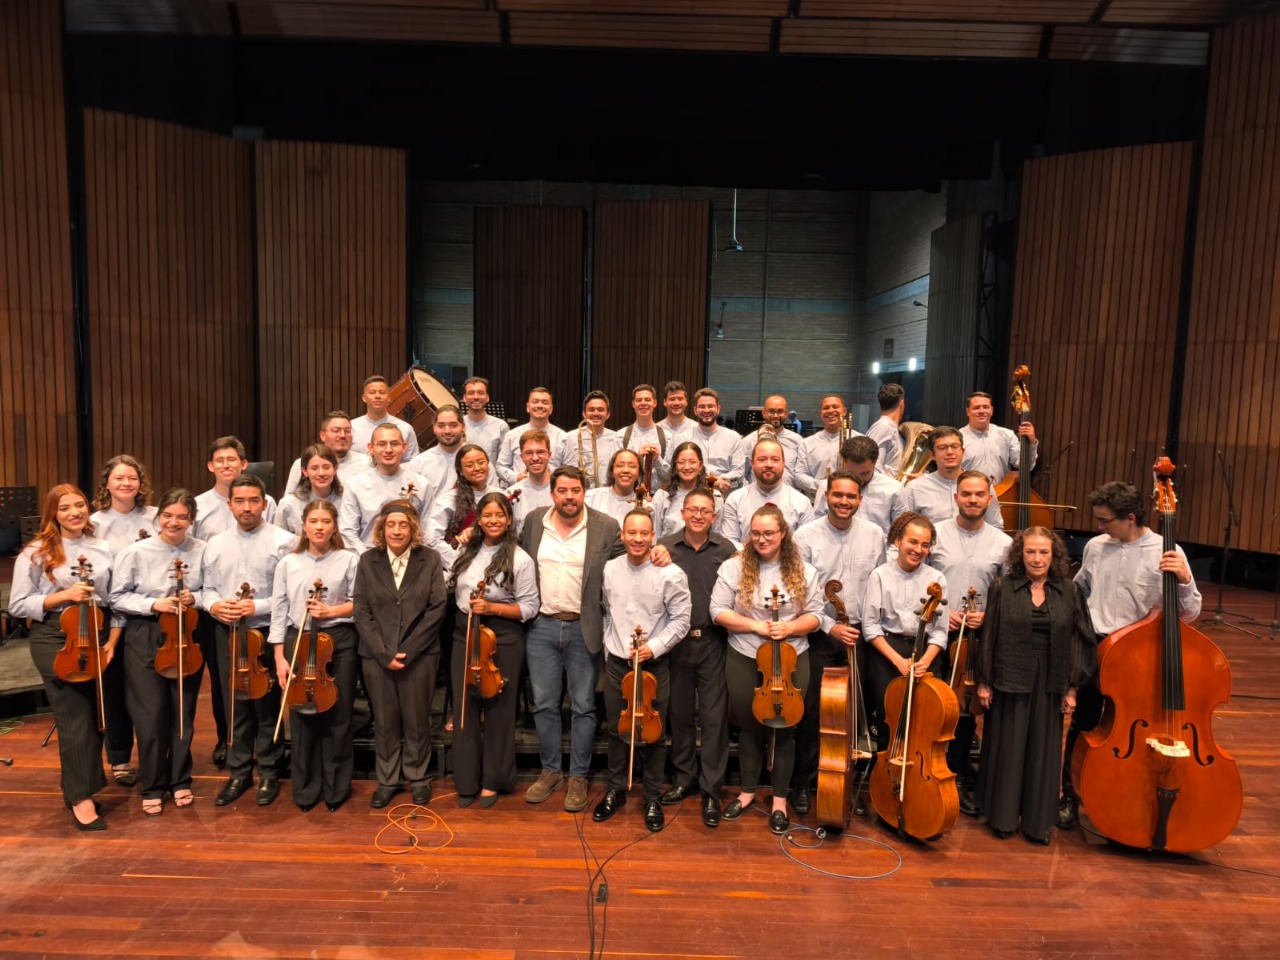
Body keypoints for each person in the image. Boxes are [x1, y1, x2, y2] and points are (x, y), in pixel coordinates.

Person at [1058, 480, 1202, 829]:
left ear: (1131, 517)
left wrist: (1183, 580)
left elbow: (1191, 613)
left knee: (1135, 727)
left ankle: (1131, 794)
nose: (1099, 527)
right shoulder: (1096, 546)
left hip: (1139, 654)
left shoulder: (1168, 552)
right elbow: (1081, 589)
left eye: (1105, 521)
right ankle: (1070, 796)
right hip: (1097, 645)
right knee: (1085, 723)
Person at [975, 528, 1096, 845]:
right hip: (1009, 673)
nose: (1037, 558)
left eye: (1044, 552)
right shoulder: (1002, 587)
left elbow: (1079, 641)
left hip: (1051, 677)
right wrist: (985, 681)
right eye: (1030, 552)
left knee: (1044, 749)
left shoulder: (1069, 591)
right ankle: (1003, 817)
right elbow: (989, 635)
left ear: (1053, 556)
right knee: (1009, 747)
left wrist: (1072, 687)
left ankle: (1037, 823)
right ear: (1020, 555)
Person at [711, 505, 823, 835]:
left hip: (791, 658)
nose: (762, 539)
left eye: (769, 533)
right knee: (749, 727)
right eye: (756, 533)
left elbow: (816, 615)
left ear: (783, 534)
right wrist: (754, 626)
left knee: (785, 728)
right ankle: (747, 792)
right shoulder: (734, 567)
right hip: (745, 655)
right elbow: (717, 610)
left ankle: (778, 800)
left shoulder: (804, 570)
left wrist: (789, 629)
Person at [10, 485, 117, 830]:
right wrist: (63, 596)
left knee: (94, 714)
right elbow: (17, 605)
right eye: (65, 507)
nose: (74, 512)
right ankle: (79, 799)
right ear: (53, 513)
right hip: (55, 636)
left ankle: (84, 785)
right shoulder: (37, 551)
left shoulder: (102, 546)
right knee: (73, 718)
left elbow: (112, 597)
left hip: (95, 632)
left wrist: (111, 640)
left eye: (80, 505)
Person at [519, 466, 624, 813]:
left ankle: (578, 775)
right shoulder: (534, 522)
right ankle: (551, 771)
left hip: (584, 627)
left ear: (584, 492)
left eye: (575, 490)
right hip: (542, 626)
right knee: (545, 703)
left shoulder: (606, 526)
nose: (569, 497)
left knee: (583, 706)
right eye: (562, 490)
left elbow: (625, 566)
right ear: (552, 493)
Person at [791, 472, 886, 814]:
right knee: (814, 713)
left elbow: (879, 583)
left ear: (860, 499)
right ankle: (803, 783)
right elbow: (801, 591)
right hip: (819, 634)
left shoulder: (875, 535)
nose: (844, 501)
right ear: (826, 496)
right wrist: (830, 626)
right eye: (838, 495)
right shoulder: (805, 536)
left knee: (855, 716)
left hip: (860, 635)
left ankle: (847, 784)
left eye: (851, 496)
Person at [199, 473, 296, 807]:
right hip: (228, 633)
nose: (247, 507)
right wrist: (214, 605)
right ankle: (239, 772)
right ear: (229, 505)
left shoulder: (284, 541)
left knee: (266, 708)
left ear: (265, 503)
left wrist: (259, 605)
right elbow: (207, 588)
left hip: (267, 634)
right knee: (235, 706)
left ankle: (269, 772)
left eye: (254, 500)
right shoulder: (215, 543)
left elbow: (288, 595)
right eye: (239, 501)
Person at [109, 488, 206, 816]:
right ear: (158, 516)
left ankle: (180, 779)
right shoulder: (136, 552)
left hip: (186, 634)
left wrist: (196, 598)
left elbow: (212, 589)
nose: (174, 522)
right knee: (150, 715)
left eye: (181, 517)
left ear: (191, 520)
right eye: (167, 515)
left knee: (183, 712)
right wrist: (154, 604)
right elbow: (117, 597)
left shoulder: (203, 550)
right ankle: (152, 784)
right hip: (146, 633)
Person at [594, 510, 692, 833]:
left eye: (644, 533)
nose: (637, 539)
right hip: (618, 665)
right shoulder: (609, 569)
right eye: (631, 533)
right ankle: (616, 789)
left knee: (653, 734)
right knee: (616, 729)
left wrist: (655, 646)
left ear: (653, 536)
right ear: (622, 535)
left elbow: (681, 620)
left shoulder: (671, 574)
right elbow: (606, 612)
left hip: (653, 665)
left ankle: (651, 795)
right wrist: (612, 648)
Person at [926, 469, 1012, 814]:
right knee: (932, 706)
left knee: (964, 711)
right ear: (956, 497)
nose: (973, 500)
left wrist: (988, 616)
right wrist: (940, 613)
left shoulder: (1004, 544)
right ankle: (928, 768)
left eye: (979, 494)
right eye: (966, 494)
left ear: (990, 499)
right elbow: (921, 580)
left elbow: (1008, 593)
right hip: (938, 633)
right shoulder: (936, 535)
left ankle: (956, 772)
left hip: (979, 639)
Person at [353, 501, 448, 808]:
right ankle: (388, 778)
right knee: (384, 720)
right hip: (376, 656)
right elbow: (361, 610)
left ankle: (418, 776)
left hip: (419, 656)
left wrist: (407, 650)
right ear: (382, 529)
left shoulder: (430, 559)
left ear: (413, 529)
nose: (397, 530)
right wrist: (383, 653)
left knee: (418, 719)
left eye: (403, 525)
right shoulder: (368, 561)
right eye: (391, 525)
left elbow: (437, 608)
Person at [447, 493, 538, 808]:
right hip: (465, 632)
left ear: (509, 519)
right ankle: (467, 779)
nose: (493, 520)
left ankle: (493, 781)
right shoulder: (465, 552)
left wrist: (493, 607)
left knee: (498, 707)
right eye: (487, 515)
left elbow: (529, 608)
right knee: (465, 706)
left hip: (503, 636)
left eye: (500, 515)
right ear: (478, 519)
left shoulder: (520, 558)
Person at [269, 500, 360, 812]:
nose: (319, 527)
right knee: (303, 714)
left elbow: (359, 603)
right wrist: (279, 657)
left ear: (334, 526)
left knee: (338, 714)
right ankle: (306, 788)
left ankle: (336, 788)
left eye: (325, 521)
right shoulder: (288, 563)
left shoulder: (349, 559)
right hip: (299, 638)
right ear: (303, 526)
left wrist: (330, 610)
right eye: (313, 521)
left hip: (338, 639)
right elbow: (279, 610)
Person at [658, 488, 737, 827]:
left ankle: (711, 787)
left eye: (706, 511)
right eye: (693, 509)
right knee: (679, 715)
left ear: (714, 516)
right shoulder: (665, 547)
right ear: (683, 512)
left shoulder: (727, 550)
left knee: (714, 717)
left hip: (713, 641)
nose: (699, 515)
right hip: (675, 642)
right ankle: (683, 778)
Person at [89, 454, 155, 787]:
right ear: (107, 484)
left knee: (147, 692)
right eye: (119, 478)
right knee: (114, 689)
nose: (126, 483)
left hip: (149, 612)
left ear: (140, 483)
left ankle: (155, 755)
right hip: (109, 614)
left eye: (132, 478)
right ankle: (119, 758)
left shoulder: (156, 517)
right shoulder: (94, 522)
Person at [861, 513, 947, 752]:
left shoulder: (937, 578)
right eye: (913, 542)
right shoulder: (880, 575)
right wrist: (898, 660)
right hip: (888, 654)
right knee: (888, 722)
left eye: (925, 545)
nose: (918, 549)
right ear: (898, 541)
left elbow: (939, 632)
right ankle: (886, 779)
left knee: (923, 723)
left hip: (925, 655)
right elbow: (870, 627)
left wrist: (924, 663)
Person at [339, 423, 428, 553]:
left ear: (404, 447)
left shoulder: (422, 484)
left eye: (394, 444)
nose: (388, 450)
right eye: (381, 444)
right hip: (367, 557)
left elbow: (427, 528)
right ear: (371, 448)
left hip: (411, 558)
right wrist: (368, 560)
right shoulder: (355, 484)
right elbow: (348, 531)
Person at [893, 427, 1004, 528]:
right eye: (942, 448)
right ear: (931, 455)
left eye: (955, 447)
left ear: (963, 452)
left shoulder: (982, 485)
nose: (950, 452)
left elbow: (995, 526)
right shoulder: (915, 488)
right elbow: (903, 529)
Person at [719, 438, 814, 546]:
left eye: (775, 459)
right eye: (762, 459)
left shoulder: (802, 503)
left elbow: (805, 546)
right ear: (752, 463)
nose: (769, 464)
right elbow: (730, 543)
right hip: (744, 560)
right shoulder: (735, 499)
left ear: (783, 463)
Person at [425, 443, 503, 572]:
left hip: (497, 565)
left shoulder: (500, 495)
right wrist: (461, 563)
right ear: (460, 471)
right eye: (469, 465)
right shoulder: (447, 500)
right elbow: (432, 539)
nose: (477, 468)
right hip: (462, 569)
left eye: (481, 462)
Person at [812, 436, 900, 536]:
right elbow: (817, 526)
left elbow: (899, 533)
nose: (858, 479)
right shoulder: (826, 486)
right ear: (844, 462)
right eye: (852, 472)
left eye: (864, 473)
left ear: (875, 464)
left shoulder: (894, 489)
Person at [195, 436, 279, 540]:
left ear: (243, 464)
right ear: (211, 466)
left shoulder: (267, 502)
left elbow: (277, 540)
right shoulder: (197, 505)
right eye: (219, 460)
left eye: (231, 459)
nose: (225, 465)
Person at [961, 390, 1037, 490]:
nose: (981, 411)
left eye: (985, 407)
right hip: (969, 496)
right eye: (976, 408)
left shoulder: (1007, 434)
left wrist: (1031, 443)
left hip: (1001, 496)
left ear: (991, 410)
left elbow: (1025, 466)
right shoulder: (958, 437)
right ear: (968, 411)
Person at [280, 411, 370, 496]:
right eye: (336, 430)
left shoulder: (366, 462)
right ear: (323, 436)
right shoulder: (303, 463)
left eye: (347, 431)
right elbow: (289, 502)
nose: (343, 435)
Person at [649, 440, 724, 539]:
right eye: (681, 462)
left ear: (700, 466)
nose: (687, 467)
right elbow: (655, 536)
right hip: (667, 552)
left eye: (692, 462)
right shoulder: (662, 496)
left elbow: (717, 535)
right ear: (675, 466)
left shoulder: (714, 496)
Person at [495, 387, 566, 486]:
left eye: (545, 402)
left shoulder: (563, 437)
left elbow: (569, 469)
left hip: (552, 492)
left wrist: (551, 475)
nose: (540, 405)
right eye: (535, 401)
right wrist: (516, 478)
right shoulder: (512, 435)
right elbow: (500, 466)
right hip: (520, 491)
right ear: (528, 407)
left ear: (551, 409)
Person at [553, 390, 621, 490]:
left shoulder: (617, 438)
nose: (596, 413)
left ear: (608, 414)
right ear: (584, 414)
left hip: (607, 495)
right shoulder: (568, 438)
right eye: (591, 410)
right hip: (576, 493)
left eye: (600, 410)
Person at [745, 394, 811, 494]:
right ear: (764, 413)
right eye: (771, 411)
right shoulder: (748, 441)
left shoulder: (797, 441)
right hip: (756, 496)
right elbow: (742, 474)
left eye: (780, 411)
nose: (776, 416)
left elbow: (801, 473)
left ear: (786, 414)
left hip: (788, 497)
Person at [408, 404, 472, 505]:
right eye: (441, 425)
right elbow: (411, 503)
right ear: (434, 428)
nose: (447, 431)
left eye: (453, 425)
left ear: (463, 427)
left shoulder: (477, 459)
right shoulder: (419, 463)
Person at [276, 443, 344, 535]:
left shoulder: (347, 501)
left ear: (335, 469)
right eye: (314, 468)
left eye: (326, 467)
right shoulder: (288, 504)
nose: (321, 473)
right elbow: (279, 542)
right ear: (305, 471)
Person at [687, 387, 745, 494]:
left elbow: (739, 478)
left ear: (718, 409)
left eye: (711, 406)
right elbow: (675, 472)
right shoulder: (682, 438)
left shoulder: (734, 438)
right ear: (695, 410)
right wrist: (710, 482)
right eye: (702, 406)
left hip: (725, 497)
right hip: (692, 497)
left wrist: (722, 483)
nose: (706, 410)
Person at [351, 374, 419, 461]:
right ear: (364, 398)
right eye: (372, 392)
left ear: (389, 398)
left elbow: (412, 463)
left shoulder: (405, 428)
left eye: (382, 392)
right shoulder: (351, 427)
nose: (377, 396)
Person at [802, 394, 860, 488]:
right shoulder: (806, 443)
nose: (831, 411)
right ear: (821, 413)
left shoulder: (860, 440)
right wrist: (823, 486)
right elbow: (799, 475)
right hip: (816, 498)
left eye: (835, 407)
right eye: (826, 408)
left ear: (844, 411)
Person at [619, 383, 671, 488]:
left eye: (647, 400)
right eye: (639, 400)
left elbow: (670, 477)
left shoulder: (668, 437)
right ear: (633, 404)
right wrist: (636, 459)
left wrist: (657, 460)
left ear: (654, 403)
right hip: (629, 495)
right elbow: (616, 473)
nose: (643, 403)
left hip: (658, 497)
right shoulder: (620, 436)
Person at [507, 429, 554, 535]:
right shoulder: (511, 493)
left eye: (540, 452)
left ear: (549, 455)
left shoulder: (562, 491)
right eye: (529, 453)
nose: (535, 458)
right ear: (522, 457)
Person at [584, 448, 646, 526]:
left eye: (632, 466)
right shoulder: (591, 498)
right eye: (620, 465)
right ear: (612, 472)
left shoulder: (646, 504)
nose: (626, 470)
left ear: (639, 473)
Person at [461, 376, 510, 463]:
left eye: (480, 393)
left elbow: (504, 462)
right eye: (471, 393)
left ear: (487, 397)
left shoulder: (500, 426)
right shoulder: (457, 425)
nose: (476, 397)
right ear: (464, 398)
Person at [865, 383, 905, 476]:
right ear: (902, 404)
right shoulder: (883, 428)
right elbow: (873, 468)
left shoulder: (888, 428)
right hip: (886, 490)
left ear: (879, 405)